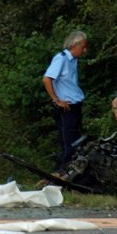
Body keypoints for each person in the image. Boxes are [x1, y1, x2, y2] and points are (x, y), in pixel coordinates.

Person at [43, 31, 88, 173]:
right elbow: (47, 79)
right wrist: (56, 99)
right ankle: (60, 173)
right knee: (68, 142)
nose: (84, 50)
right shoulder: (61, 59)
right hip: (66, 107)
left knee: (77, 142)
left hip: (75, 105)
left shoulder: (73, 61)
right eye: (83, 47)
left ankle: (70, 172)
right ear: (75, 45)